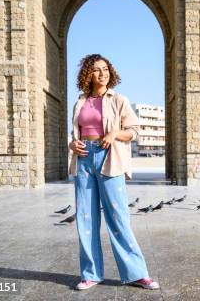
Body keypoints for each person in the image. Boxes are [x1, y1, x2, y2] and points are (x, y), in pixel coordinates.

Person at [68, 54, 159, 291]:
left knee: (118, 217)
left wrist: (114, 134)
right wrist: (72, 144)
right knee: (85, 218)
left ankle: (136, 273)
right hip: (84, 159)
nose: (102, 73)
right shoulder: (80, 102)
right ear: (88, 73)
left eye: (105, 69)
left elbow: (134, 131)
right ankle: (91, 274)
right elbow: (76, 132)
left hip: (109, 157)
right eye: (97, 70)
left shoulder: (118, 99)